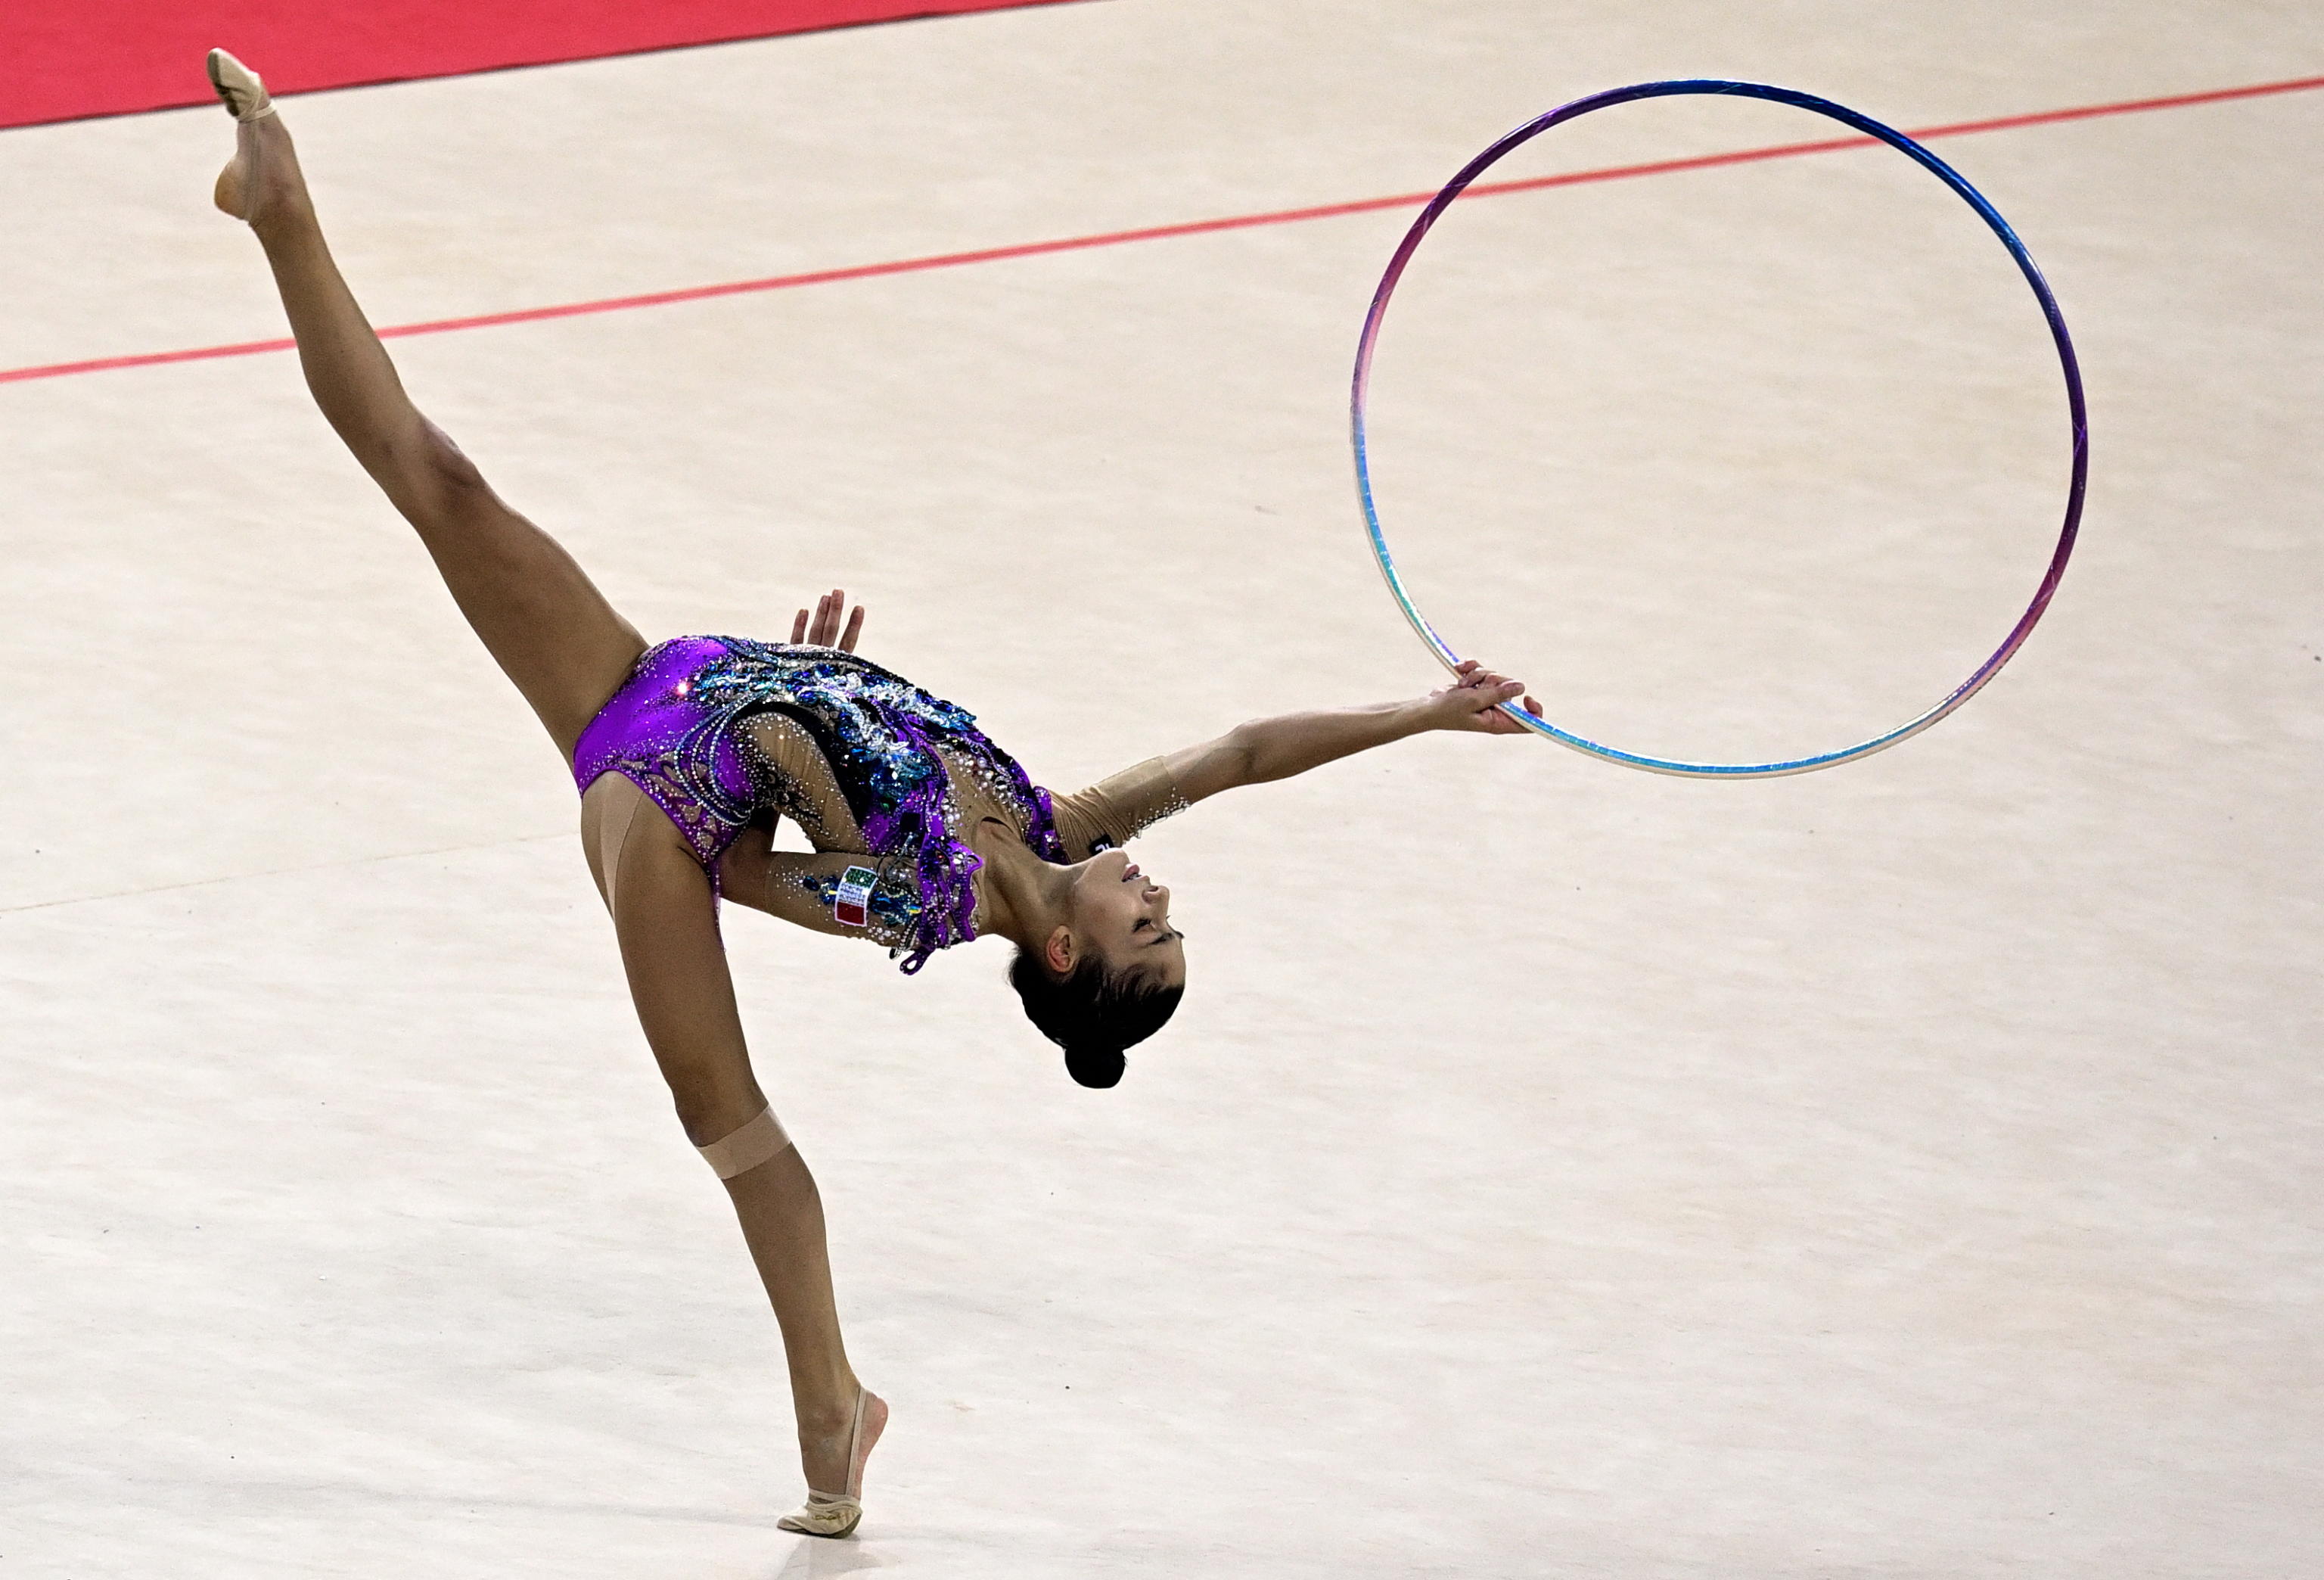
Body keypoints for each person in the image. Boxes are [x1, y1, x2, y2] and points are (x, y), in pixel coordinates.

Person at [200, 47, 1543, 1539]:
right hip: (674, 681)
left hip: (665, 805)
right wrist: (1421, 714)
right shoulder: (1052, 821)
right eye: (1163, 914)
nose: (1156, 897)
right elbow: (1233, 756)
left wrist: (795, 749)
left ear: (1063, 956)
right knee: (439, 481)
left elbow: (760, 881)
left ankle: (830, 1414)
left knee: (736, 1132)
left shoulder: (936, 898)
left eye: (1146, 933)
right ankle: (278, 204)